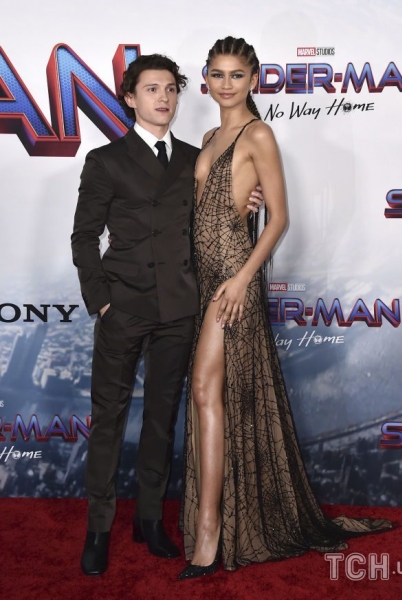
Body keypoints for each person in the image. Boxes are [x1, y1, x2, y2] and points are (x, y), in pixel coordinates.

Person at [178, 36, 392, 580]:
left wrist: (242, 279)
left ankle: (210, 530)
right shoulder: (208, 136)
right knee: (213, 397)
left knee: (203, 390)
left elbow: (279, 218)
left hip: (233, 281)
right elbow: (208, 209)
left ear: (254, 80)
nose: (226, 84)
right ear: (207, 80)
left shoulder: (259, 134)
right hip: (206, 280)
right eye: (217, 74)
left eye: (236, 75)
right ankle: (219, 520)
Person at [71, 53, 262, 576]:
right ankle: (99, 527)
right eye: (152, 89)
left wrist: (246, 200)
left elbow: (215, 216)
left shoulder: (194, 159)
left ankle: (150, 519)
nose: (163, 97)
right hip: (124, 307)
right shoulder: (105, 160)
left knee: (161, 417)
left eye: (171, 89)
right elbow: (84, 238)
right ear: (130, 99)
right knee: (108, 419)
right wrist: (102, 301)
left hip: (179, 306)